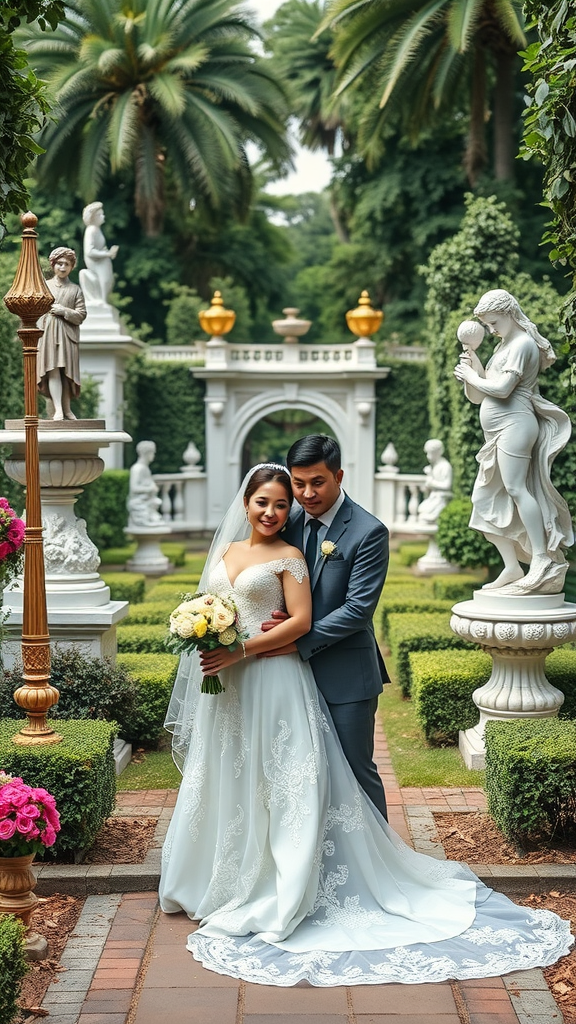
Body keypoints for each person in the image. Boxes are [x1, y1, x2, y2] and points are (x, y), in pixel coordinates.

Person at [159, 462, 573, 987]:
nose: (284, 505)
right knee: (237, 772)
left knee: (341, 772)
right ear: (246, 502)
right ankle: (224, 873)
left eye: (295, 494)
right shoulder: (262, 536)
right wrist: (209, 635)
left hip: (305, 672)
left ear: (337, 476)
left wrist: (263, 645)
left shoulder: (357, 532)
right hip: (236, 683)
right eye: (276, 497)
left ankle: (363, 866)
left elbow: (348, 611)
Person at [262, 434, 389, 819]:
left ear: (339, 476)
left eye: (317, 482)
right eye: (298, 483)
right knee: (300, 771)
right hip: (287, 676)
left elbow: (357, 610)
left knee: (355, 771)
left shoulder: (368, 531)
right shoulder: (285, 522)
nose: (306, 494)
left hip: (346, 676)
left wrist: (296, 637)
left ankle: (380, 852)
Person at [454, 289, 573, 594]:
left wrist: (473, 376)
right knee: (483, 498)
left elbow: (504, 389)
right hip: (497, 431)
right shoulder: (503, 346)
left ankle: (542, 558)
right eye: (487, 325)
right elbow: (479, 395)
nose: (491, 330)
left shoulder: (522, 344)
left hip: (516, 425)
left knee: (517, 489)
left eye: (494, 323)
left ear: (509, 313)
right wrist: (472, 369)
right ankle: (511, 566)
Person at [37, 247, 87, 421]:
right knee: (52, 369)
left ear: (72, 266)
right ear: (53, 265)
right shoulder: (44, 286)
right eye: (59, 263)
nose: (63, 267)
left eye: (67, 264)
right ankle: (58, 409)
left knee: (67, 373)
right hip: (48, 333)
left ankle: (66, 409)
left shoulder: (75, 290)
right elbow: (36, 310)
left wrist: (64, 311)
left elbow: (81, 314)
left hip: (68, 335)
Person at [78, 202, 118, 306]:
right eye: (100, 215)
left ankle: (104, 301)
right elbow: (89, 251)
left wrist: (108, 253)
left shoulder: (97, 230)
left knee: (108, 281)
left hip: (102, 262)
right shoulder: (91, 230)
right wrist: (107, 254)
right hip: (97, 263)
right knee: (105, 281)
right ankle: (102, 301)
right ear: (93, 218)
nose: (103, 216)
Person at [127, 440, 164, 528]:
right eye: (153, 453)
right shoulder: (137, 468)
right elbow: (134, 488)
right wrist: (150, 489)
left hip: (147, 503)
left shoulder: (145, 468)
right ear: (147, 453)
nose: (154, 455)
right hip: (139, 504)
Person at [417, 438, 453, 524]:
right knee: (421, 509)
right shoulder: (435, 466)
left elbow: (447, 485)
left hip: (441, 497)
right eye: (427, 453)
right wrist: (429, 474)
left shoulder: (445, 466)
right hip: (434, 496)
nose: (428, 456)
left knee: (424, 516)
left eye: (431, 453)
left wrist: (431, 482)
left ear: (438, 453)